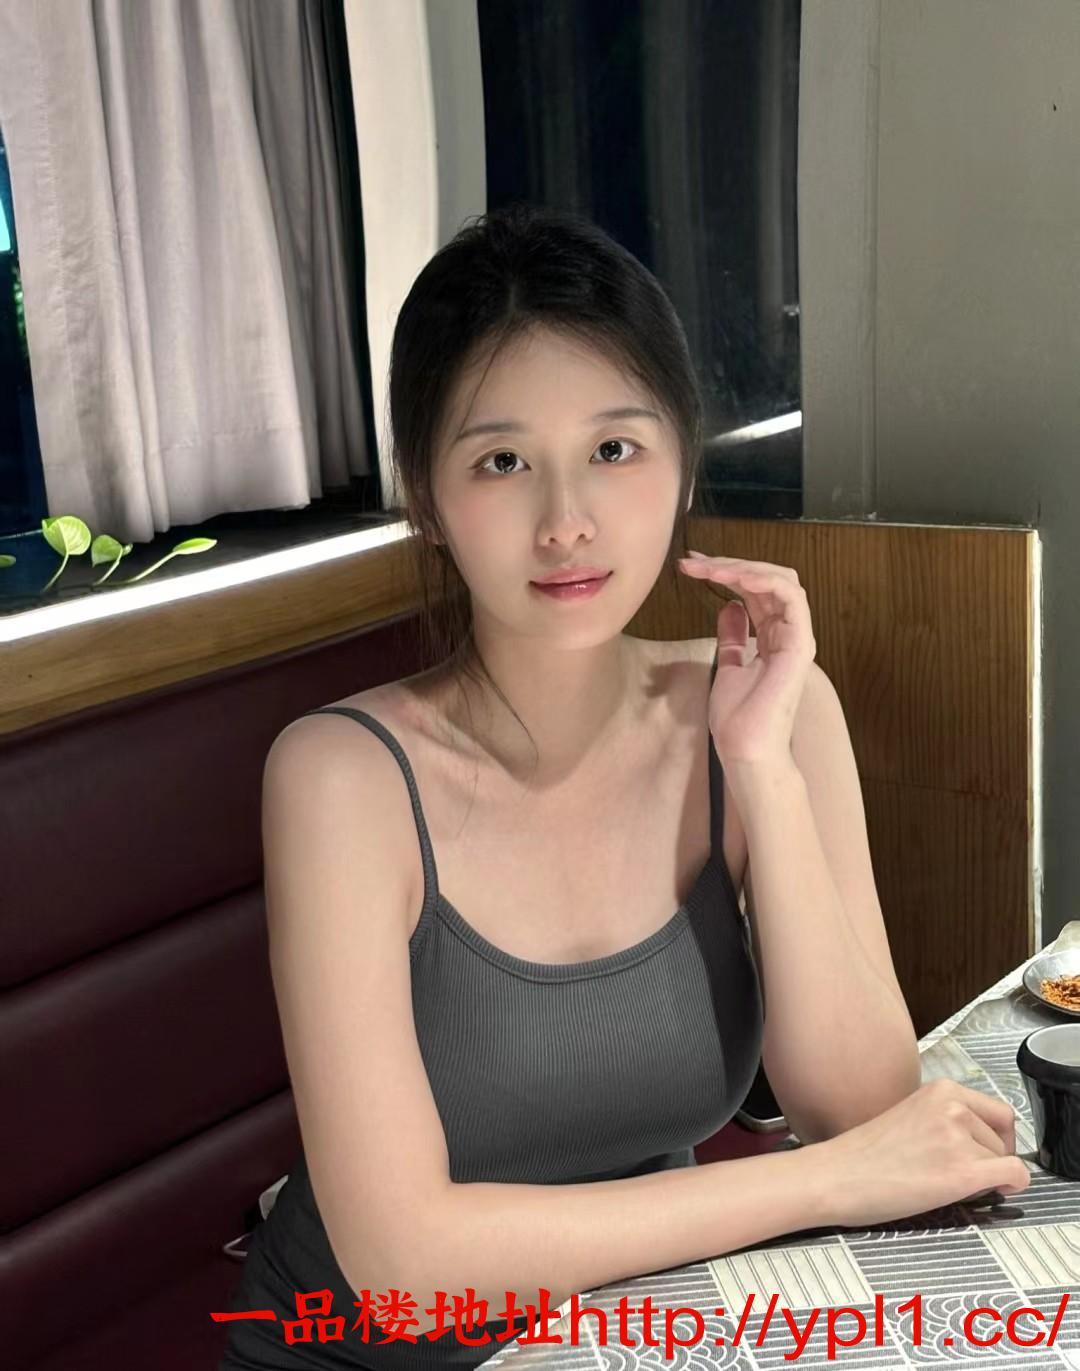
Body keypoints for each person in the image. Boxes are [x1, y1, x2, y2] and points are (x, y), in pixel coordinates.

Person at [219, 203, 1029, 1370]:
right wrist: (824, 1184)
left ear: (681, 458)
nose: (567, 523)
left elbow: (859, 1107)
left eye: (613, 449)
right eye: (502, 462)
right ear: (426, 499)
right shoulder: (340, 780)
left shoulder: (774, 708)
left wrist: (762, 772)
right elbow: (405, 1270)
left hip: (634, 1335)